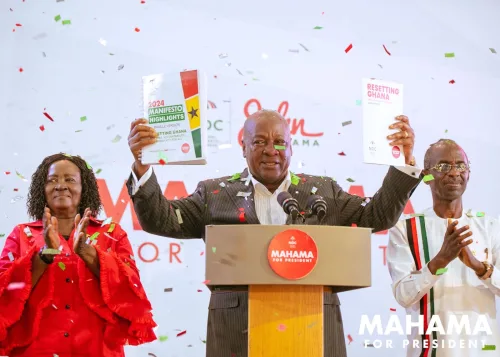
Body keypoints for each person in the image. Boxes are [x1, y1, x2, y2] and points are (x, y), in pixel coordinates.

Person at [126, 110, 421, 357]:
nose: (271, 150)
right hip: (237, 335)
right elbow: (161, 220)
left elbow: (376, 216)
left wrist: (404, 164)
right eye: (260, 142)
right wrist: (142, 167)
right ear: (243, 147)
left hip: (314, 329)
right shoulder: (214, 193)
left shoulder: (324, 192)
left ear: (292, 148)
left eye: (280, 142)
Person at [0, 153, 157, 357]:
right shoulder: (21, 234)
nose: (60, 186)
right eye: (52, 180)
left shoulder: (112, 233)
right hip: (36, 349)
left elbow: (132, 291)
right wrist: (45, 254)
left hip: (97, 348)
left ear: (84, 189)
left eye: (70, 180)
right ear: (42, 190)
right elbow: (4, 294)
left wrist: (87, 252)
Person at [387, 139, 500, 357]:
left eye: (461, 165)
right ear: (427, 176)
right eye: (444, 166)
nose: (454, 172)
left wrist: (479, 267)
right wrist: (440, 261)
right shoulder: (406, 229)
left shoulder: (490, 227)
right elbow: (403, 295)